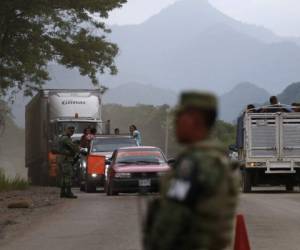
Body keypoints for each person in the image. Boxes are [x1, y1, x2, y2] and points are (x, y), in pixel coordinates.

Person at [143, 92, 240, 250]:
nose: (175, 123)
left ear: (195, 119)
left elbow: (173, 217)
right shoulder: (217, 158)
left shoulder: (194, 164)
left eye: (179, 117)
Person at [58, 126, 80, 198]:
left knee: (64, 176)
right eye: (70, 131)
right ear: (66, 130)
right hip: (66, 159)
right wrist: (77, 147)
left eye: (73, 131)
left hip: (63, 159)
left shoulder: (63, 137)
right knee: (68, 175)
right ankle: (68, 192)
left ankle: (63, 192)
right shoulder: (66, 138)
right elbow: (73, 147)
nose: (72, 132)